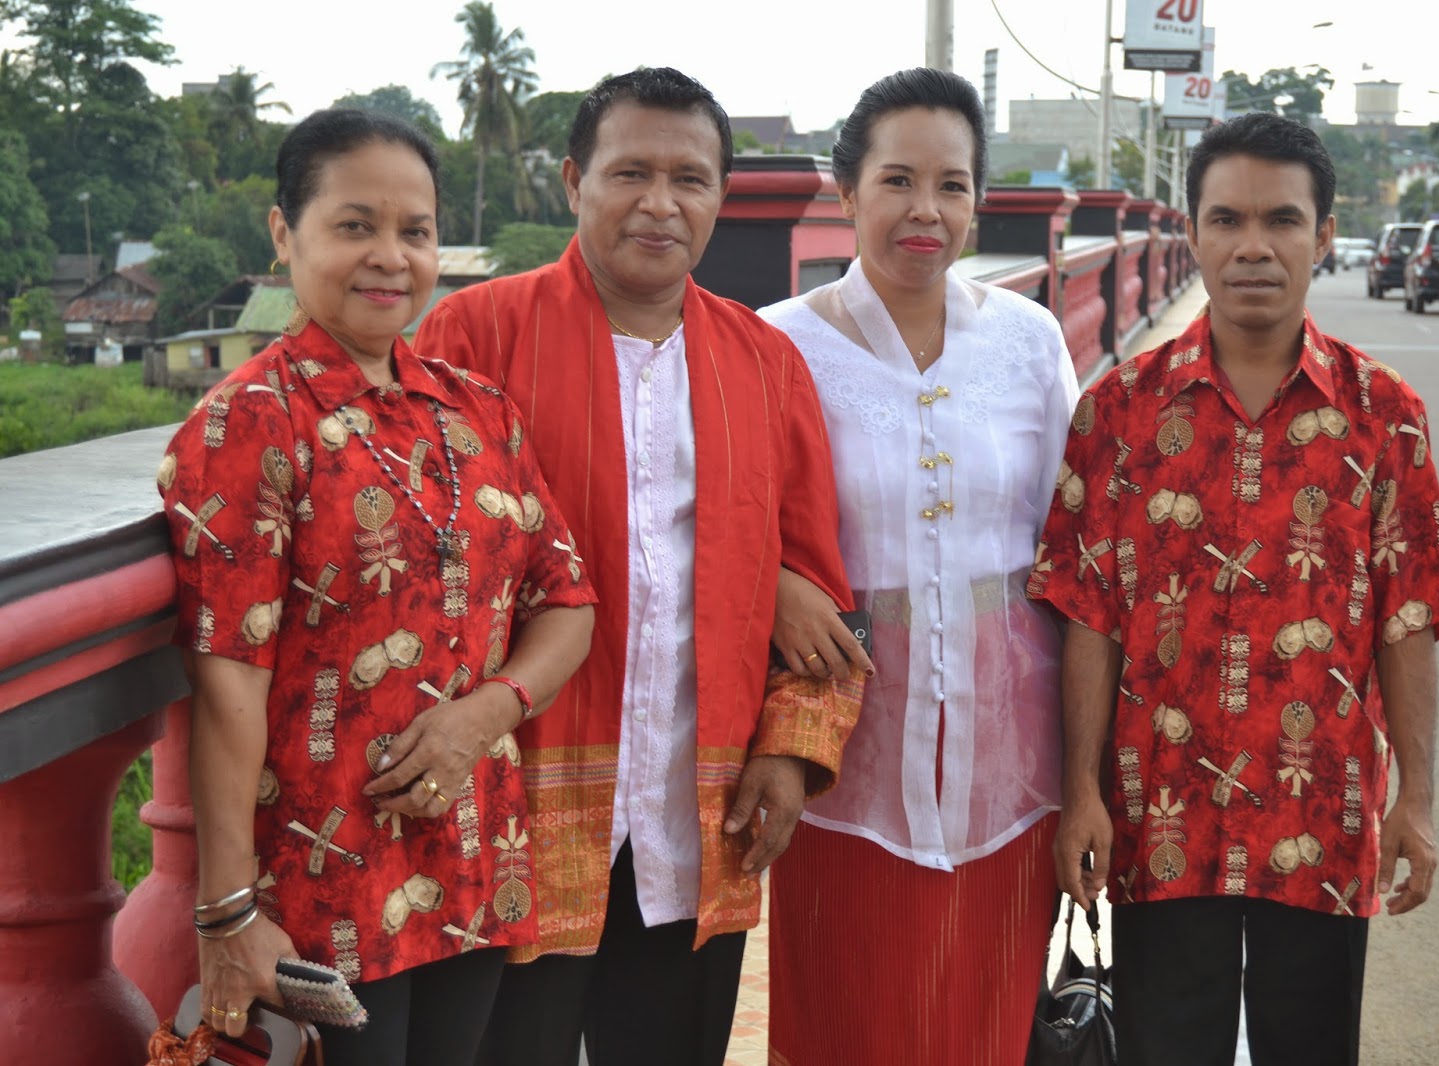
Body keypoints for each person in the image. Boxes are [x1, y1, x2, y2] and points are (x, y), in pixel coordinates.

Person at [411, 67, 863, 1066]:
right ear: (574, 179)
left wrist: (788, 755)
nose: (661, 202)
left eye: (690, 179)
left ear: (719, 200)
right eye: (630, 172)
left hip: (698, 811)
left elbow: (819, 578)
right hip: (514, 807)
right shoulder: (472, 337)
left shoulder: (763, 362)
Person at [1029, 111, 1439, 1066]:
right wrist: (1080, 793)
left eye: (1281, 220)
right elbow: (1089, 614)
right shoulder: (1117, 411)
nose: (1253, 247)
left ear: (1324, 235)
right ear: (1190, 232)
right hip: (1158, 817)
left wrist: (1418, 798)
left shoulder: (1382, 415)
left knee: (1312, 1049)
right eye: (1226, 219)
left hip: (1320, 820)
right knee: (1163, 1049)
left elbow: (1408, 618)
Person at [157, 109, 597, 1063]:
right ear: (285, 234)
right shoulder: (250, 425)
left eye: (415, 231)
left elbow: (566, 599)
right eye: (355, 225)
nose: (389, 257)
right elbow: (228, 683)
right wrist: (227, 911)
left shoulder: (476, 410)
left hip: (472, 854)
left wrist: (488, 712)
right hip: (319, 883)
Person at [758, 68, 1080, 1065]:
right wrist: (777, 586)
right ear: (845, 190)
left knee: (985, 1019)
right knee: (847, 1018)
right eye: (897, 181)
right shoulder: (778, 346)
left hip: (1010, 753)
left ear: (978, 199)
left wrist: (1091, 765)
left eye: (952, 184)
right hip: (839, 755)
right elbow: (720, 523)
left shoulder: (1027, 343)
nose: (924, 211)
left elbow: (1078, 545)